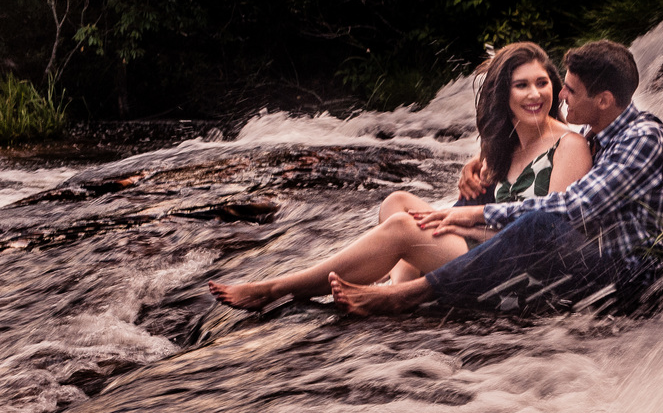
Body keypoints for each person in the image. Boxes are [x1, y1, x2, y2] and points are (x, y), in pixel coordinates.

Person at [208, 42, 591, 310]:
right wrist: (473, 173)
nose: (534, 94)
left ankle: (276, 288)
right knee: (398, 202)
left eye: (541, 83)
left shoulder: (569, 145)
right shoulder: (506, 142)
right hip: (486, 248)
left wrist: (460, 223)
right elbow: (489, 193)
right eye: (521, 85)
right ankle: (396, 289)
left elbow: (548, 232)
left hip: (518, 269)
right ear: (503, 94)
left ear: (554, 87)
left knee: (404, 229)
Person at [327, 39, 663, 317]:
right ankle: (394, 286)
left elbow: (573, 207)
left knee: (537, 223)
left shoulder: (642, 137)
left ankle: (405, 295)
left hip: (625, 279)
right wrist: (480, 160)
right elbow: (544, 145)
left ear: (603, 100)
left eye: (570, 89)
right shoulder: (599, 131)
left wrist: (475, 216)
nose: (561, 95)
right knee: (400, 204)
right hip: (588, 260)